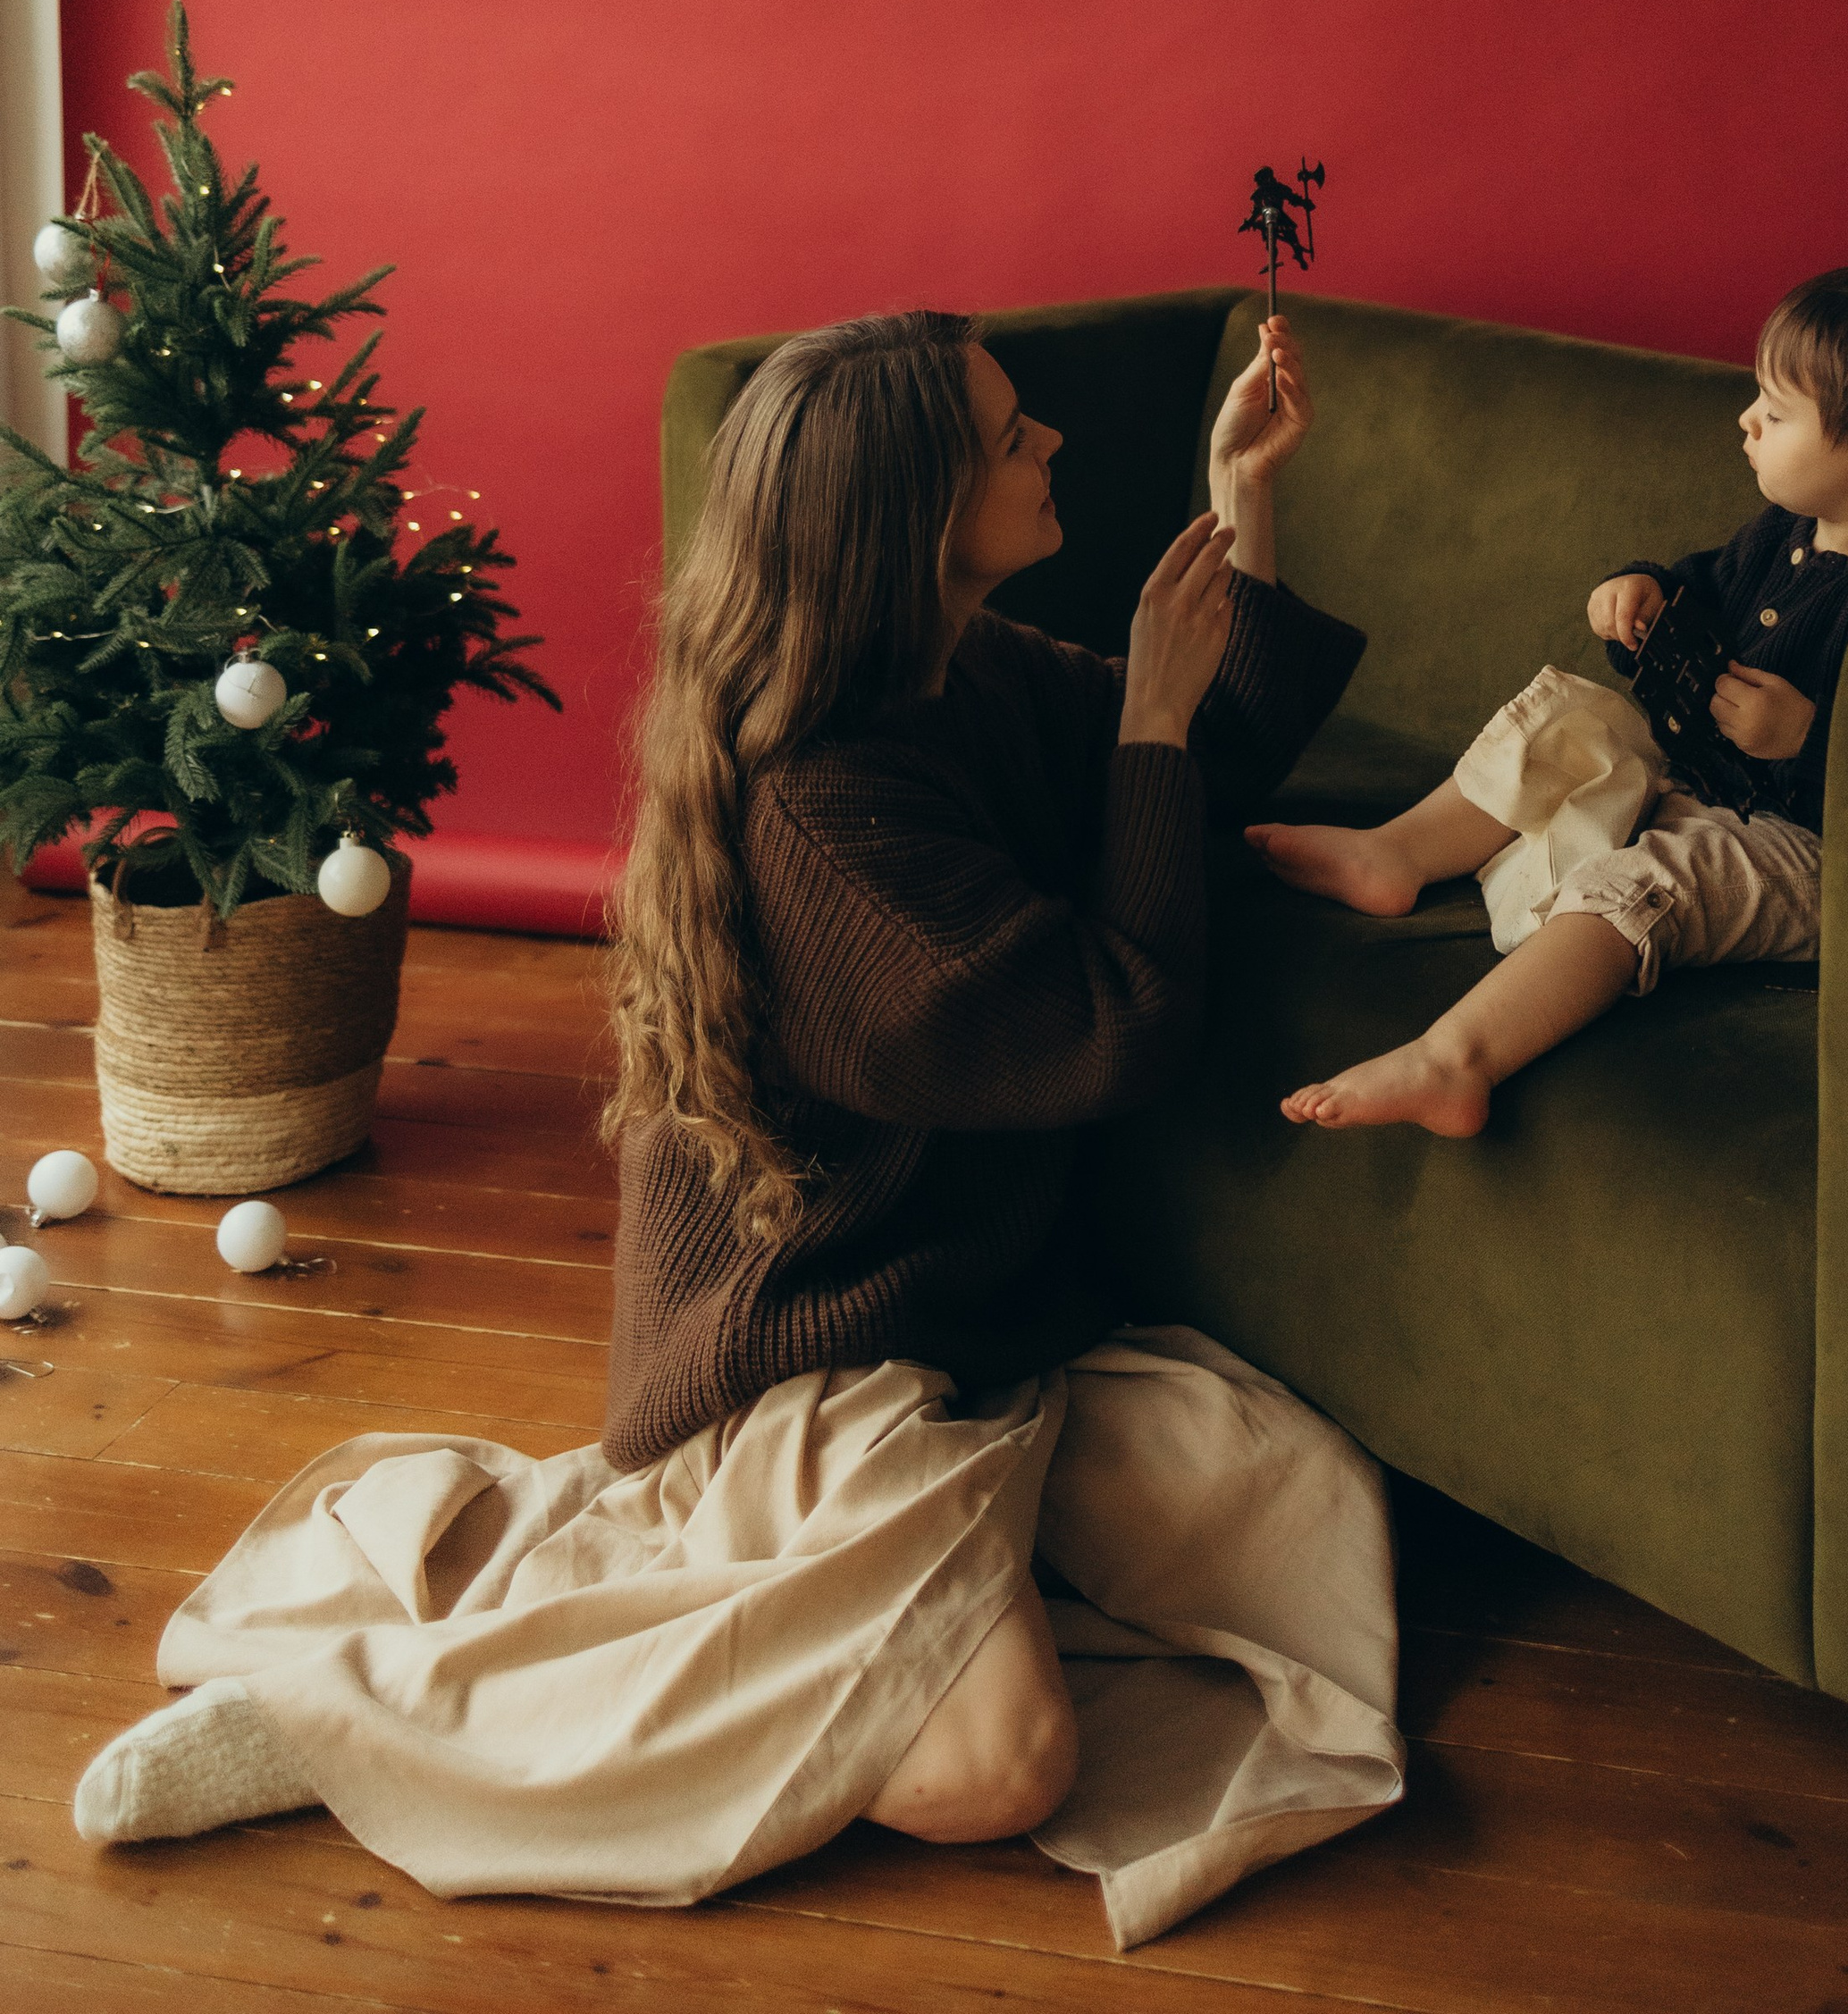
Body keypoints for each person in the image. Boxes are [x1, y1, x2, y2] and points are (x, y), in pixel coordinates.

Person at [73, 308, 1402, 1950]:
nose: (1049, 443)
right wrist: (1146, 725)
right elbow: (1111, 1023)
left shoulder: (957, 669)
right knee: (1003, 1764)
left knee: (1293, 1508)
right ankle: (369, 1718)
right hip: (816, 1352)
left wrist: (1239, 503)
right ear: (910, 516)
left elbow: (1196, 754)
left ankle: (804, 1618)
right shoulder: (827, 814)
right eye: (1007, 437)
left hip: (976, 1324)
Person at [1258, 252, 1848, 1138]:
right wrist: (1644, 592)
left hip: (1817, 854)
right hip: (1700, 774)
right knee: (1575, 715)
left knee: (1647, 881)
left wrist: (1809, 739)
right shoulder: (1789, 526)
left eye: (1773, 414)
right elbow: (1709, 591)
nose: (1745, 422)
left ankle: (1454, 1059)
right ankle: (1397, 854)